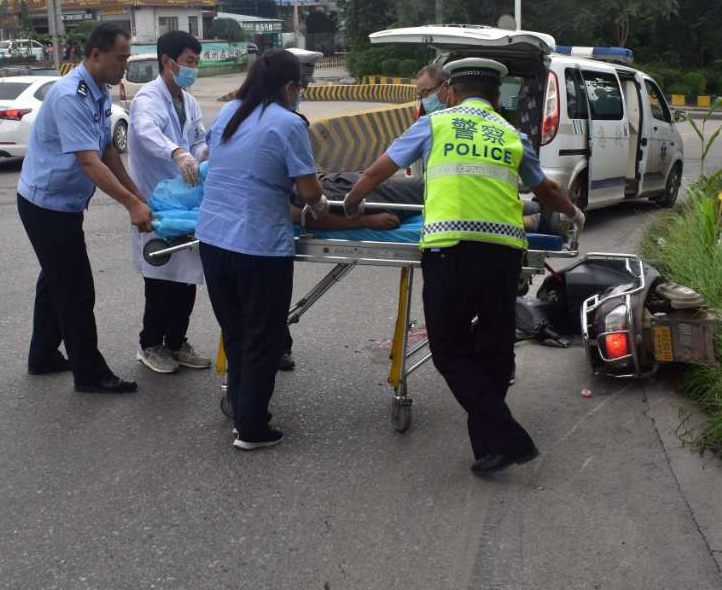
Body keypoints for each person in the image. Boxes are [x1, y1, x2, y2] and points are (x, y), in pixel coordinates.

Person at [343, 58, 586, 475]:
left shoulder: (435, 125)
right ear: (497, 97)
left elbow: (380, 168)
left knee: (449, 348)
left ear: (449, 92)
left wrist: (351, 202)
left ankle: (507, 436)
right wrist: (574, 213)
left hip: (449, 250)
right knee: (493, 349)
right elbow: (544, 188)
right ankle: (491, 449)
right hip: (503, 254)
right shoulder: (512, 133)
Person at [197, 50, 329, 450]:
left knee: (236, 331)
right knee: (263, 336)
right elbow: (309, 191)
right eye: (299, 88)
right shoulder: (288, 124)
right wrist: (319, 206)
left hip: (214, 239)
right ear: (290, 87)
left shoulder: (229, 112)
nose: (299, 95)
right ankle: (252, 428)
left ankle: (241, 408)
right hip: (257, 245)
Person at [16, 23, 150, 395]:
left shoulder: (99, 92)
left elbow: (108, 149)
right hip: (45, 205)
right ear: (96, 55)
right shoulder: (69, 96)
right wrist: (131, 205)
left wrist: (137, 194)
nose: (126, 64)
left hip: (64, 204)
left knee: (54, 280)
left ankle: (42, 356)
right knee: (75, 290)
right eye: (121, 57)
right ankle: (90, 374)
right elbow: (89, 162)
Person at [128, 30, 212, 375]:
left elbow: (199, 139)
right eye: (189, 62)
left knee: (187, 277)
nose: (193, 69)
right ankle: (150, 345)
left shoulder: (188, 101)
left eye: (196, 62)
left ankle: (177, 343)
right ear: (168, 62)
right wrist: (176, 152)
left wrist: (202, 155)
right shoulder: (147, 99)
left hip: (187, 201)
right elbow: (147, 132)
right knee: (161, 277)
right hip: (157, 200)